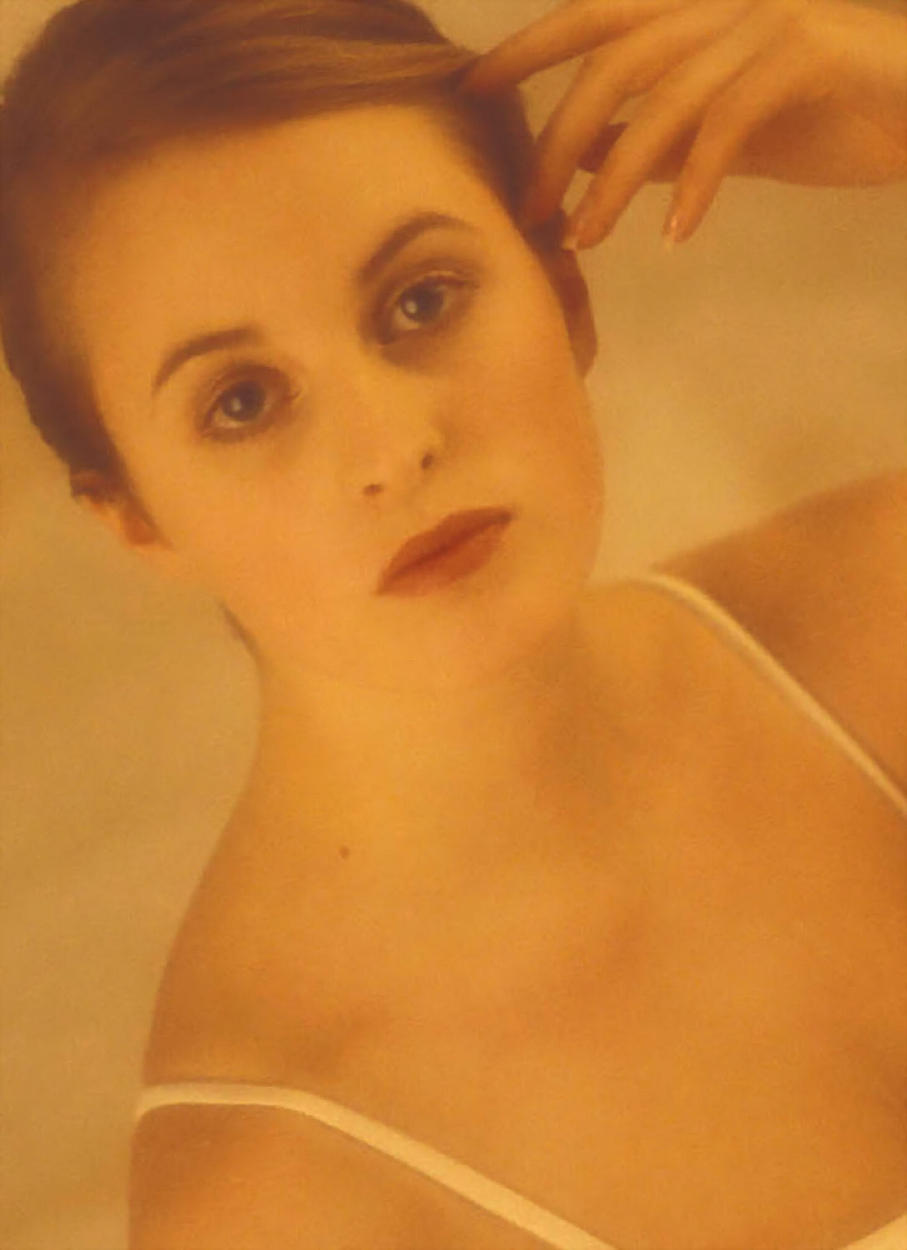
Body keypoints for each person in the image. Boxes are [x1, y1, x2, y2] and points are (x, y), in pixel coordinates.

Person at [1, 0, 905, 1246]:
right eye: (242, 401)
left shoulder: (871, 619)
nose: (391, 447)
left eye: (420, 300)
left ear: (561, 293)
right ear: (141, 522)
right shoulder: (277, 1199)